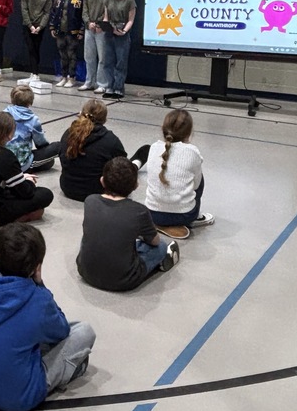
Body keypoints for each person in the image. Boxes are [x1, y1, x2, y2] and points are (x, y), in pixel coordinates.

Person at [0, 222, 95, 411]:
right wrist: (40, 285)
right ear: (36, 268)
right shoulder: (38, 299)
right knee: (83, 331)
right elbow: (62, 331)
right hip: (21, 397)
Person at [77, 157, 179, 292]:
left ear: (102, 181)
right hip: (123, 280)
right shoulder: (139, 211)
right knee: (161, 246)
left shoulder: (90, 201)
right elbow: (155, 242)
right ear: (136, 185)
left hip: (85, 271)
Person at [143, 108, 214, 239]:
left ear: (162, 128)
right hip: (184, 215)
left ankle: (160, 223)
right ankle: (194, 217)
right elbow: (197, 185)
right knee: (199, 178)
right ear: (189, 133)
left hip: (151, 213)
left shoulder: (153, 147)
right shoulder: (192, 152)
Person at [59, 99, 144, 202]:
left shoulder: (68, 133)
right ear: (104, 119)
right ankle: (136, 164)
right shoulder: (110, 140)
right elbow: (122, 168)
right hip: (97, 191)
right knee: (143, 153)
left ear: (81, 113)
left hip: (68, 187)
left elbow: (62, 157)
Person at [4, 85, 61, 172]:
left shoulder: (4, 113)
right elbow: (40, 143)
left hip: (4, 160)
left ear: (12, 100)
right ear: (30, 102)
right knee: (57, 148)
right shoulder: (33, 120)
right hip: (22, 165)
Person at [102, 0, 137, 100]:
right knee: (107, 61)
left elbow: (131, 20)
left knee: (120, 62)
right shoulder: (108, 0)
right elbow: (106, 17)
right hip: (109, 32)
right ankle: (109, 86)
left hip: (122, 32)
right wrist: (105, 26)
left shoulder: (130, 0)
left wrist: (123, 31)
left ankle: (118, 88)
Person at [48, 0, 85, 88]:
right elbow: (54, 13)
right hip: (61, 31)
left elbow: (83, 14)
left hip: (73, 31)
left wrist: (81, 30)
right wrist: (52, 27)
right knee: (62, 55)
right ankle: (64, 76)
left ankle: (71, 77)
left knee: (71, 54)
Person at [81, 0, 112, 94]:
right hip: (89, 28)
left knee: (102, 57)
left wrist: (99, 23)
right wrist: (88, 22)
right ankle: (89, 81)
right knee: (89, 56)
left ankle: (102, 83)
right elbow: (85, 9)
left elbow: (109, 9)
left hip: (101, 29)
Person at [21, 0, 52, 82]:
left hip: (39, 26)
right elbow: (24, 9)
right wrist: (30, 25)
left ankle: (35, 72)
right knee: (31, 48)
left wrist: (40, 26)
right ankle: (33, 73)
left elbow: (47, 12)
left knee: (36, 48)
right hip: (28, 25)